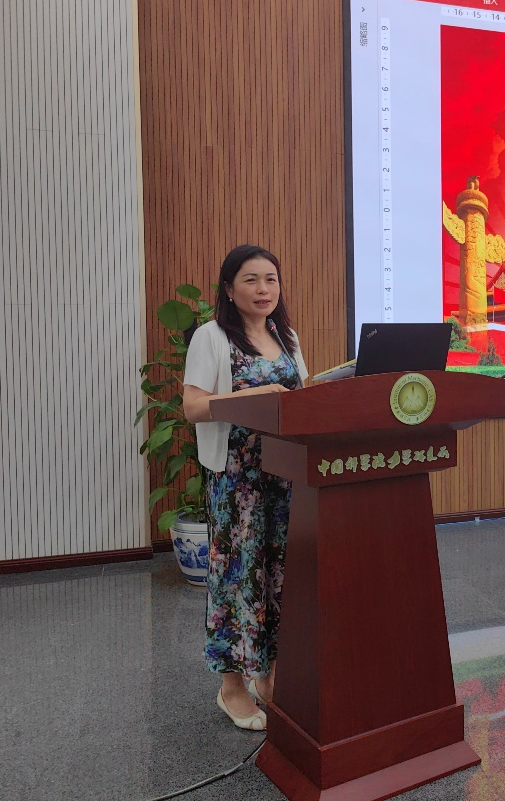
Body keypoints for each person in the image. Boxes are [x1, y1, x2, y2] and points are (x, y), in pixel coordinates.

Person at [182, 245, 309, 731]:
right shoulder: (211, 336)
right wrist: (254, 395)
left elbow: (300, 398)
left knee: (277, 577)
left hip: (284, 475)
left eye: (271, 279)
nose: (263, 289)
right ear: (229, 289)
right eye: (251, 280)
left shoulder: (284, 334)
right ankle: (231, 687)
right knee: (237, 578)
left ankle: (268, 675)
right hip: (238, 481)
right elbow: (193, 407)